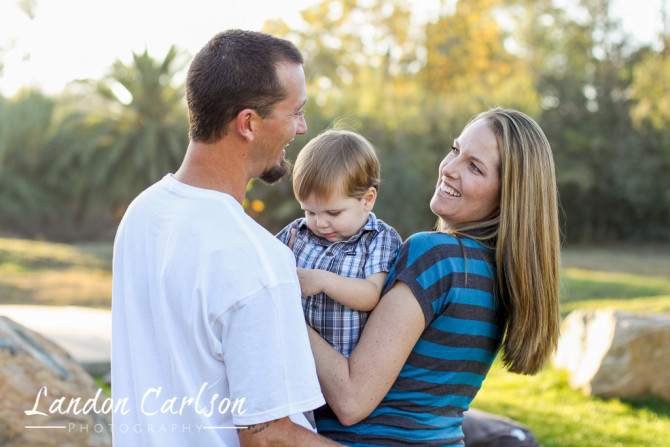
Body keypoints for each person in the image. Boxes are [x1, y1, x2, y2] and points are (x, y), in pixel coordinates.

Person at [111, 29, 342, 447]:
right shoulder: (256, 258)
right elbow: (269, 438)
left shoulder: (142, 214)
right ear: (248, 123)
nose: (303, 128)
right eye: (295, 112)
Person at [306, 108, 561, 446]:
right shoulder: (498, 276)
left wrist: (284, 307)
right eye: (456, 150)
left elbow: (351, 400)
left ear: (506, 196)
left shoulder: (436, 257)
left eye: (474, 167)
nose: (449, 168)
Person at [276, 129, 402, 357]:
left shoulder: (378, 239)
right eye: (309, 211)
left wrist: (323, 280)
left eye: (333, 213)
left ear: (367, 200)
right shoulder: (297, 233)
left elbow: (372, 294)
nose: (321, 223)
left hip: (343, 366)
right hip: (292, 358)